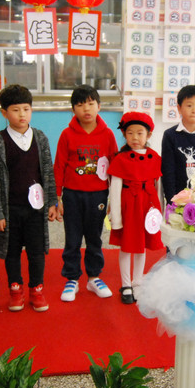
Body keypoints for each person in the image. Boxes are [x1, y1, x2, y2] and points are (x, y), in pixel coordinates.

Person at [0, 85, 58, 312]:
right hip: (11, 210)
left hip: (36, 209)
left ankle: (36, 290)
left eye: (26, 109)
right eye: (15, 110)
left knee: (37, 252)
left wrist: (52, 202)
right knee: (12, 252)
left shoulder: (40, 138)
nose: (22, 115)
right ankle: (15, 290)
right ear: (4, 113)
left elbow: (47, 172)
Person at [54, 85, 117, 302]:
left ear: (99, 106)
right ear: (73, 109)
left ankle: (93, 277)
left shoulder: (107, 135)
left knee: (94, 237)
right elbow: (59, 166)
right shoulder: (67, 135)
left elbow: (115, 168)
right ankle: (72, 278)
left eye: (91, 104)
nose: (86, 109)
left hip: (98, 195)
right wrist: (57, 197)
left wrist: (114, 199)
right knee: (72, 238)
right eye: (80, 105)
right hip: (72, 195)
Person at [108, 112, 163, 304]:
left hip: (147, 206)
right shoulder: (120, 159)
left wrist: (160, 214)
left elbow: (159, 188)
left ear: (148, 135)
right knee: (127, 246)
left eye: (140, 133)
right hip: (129, 208)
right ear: (124, 134)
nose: (135, 137)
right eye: (130, 133)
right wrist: (116, 218)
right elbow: (115, 190)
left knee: (141, 246)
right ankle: (126, 284)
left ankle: (138, 281)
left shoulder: (155, 157)